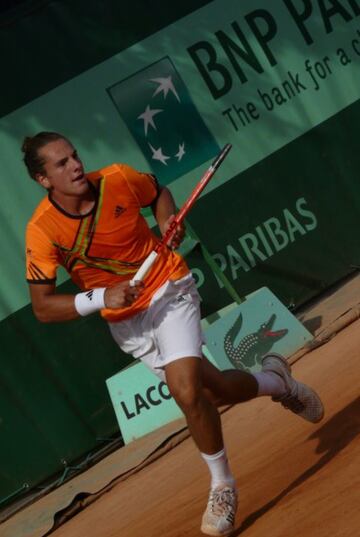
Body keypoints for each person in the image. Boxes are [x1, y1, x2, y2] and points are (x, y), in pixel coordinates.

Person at [23, 132, 324, 536]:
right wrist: (101, 297)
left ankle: (222, 486)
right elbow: (43, 306)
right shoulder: (42, 231)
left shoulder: (118, 178)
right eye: (61, 164)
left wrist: (166, 218)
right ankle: (277, 381)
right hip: (127, 321)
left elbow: (158, 193)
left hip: (168, 290)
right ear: (43, 179)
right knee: (211, 391)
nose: (75, 165)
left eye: (74, 156)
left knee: (185, 390)